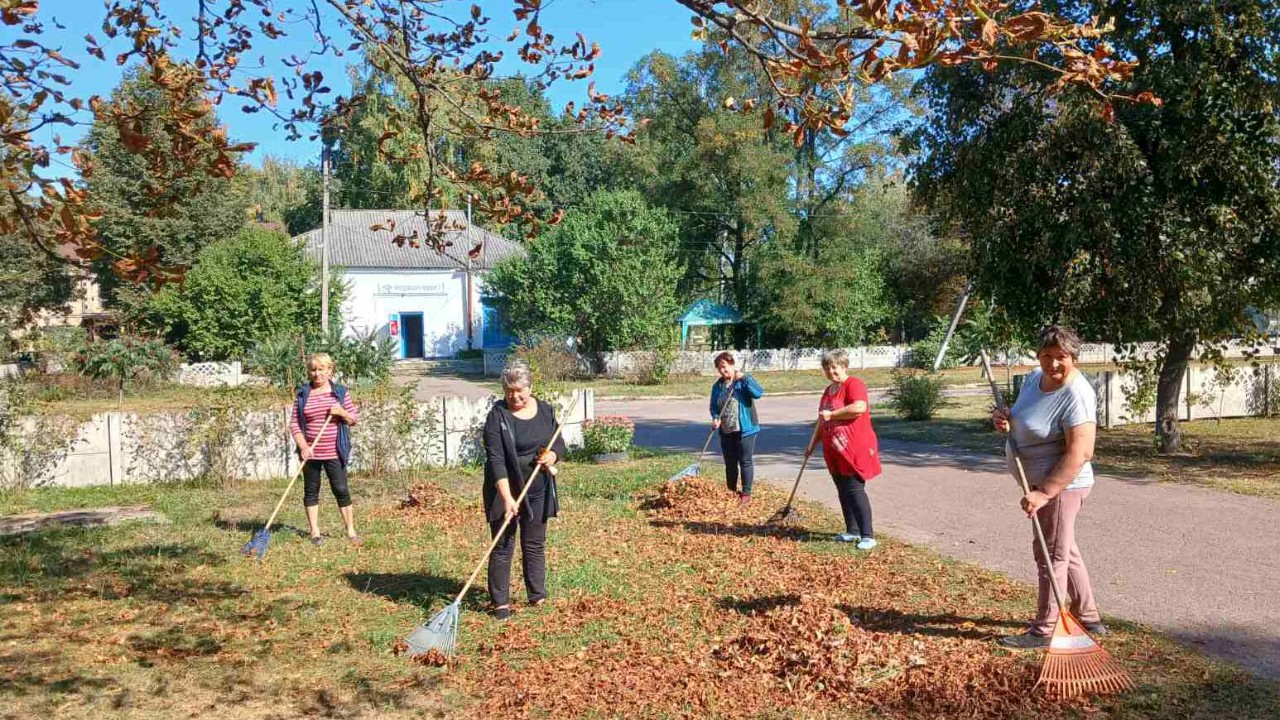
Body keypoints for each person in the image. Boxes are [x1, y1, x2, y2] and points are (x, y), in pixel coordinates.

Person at [992, 324, 1108, 649]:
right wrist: (1005, 418)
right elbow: (1023, 418)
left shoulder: (1077, 394)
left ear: (1074, 357)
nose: (1053, 364)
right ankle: (1089, 615)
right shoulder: (1033, 379)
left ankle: (1043, 630)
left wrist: (1044, 493)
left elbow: (1081, 452)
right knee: (1064, 549)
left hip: (1062, 487)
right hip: (1039, 483)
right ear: (1038, 355)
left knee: (1050, 554)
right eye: (1047, 356)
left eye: (1061, 357)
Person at [482, 363, 567, 620]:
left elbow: (559, 442)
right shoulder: (497, 416)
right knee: (503, 545)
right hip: (503, 488)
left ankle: (537, 595)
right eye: (509, 391)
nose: (514, 396)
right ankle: (500, 603)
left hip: (537, 487)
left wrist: (552, 455)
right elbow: (496, 460)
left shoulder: (544, 410)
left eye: (519, 390)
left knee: (534, 543)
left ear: (530, 387)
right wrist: (507, 498)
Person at [807, 349, 881, 550]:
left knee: (854, 489)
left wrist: (833, 414)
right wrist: (812, 444)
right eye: (827, 368)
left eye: (834, 367)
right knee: (842, 489)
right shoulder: (828, 390)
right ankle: (852, 530)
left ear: (844, 366)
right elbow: (822, 420)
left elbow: (859, 407)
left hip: (854, 447)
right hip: (834, 449)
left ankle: (868, 535)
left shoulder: (854, 384)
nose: (831, 371)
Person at [290, 352, 361, 546]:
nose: (317, 373)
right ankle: (314, 531)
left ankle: (351, 530)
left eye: (321, 369)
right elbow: (295, 424)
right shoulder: (303, 394)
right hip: (310, 454)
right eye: (313, 369)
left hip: (334, 452)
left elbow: (353, 419)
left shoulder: (339, 393)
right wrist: (303, 446)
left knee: (341, 489)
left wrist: (341, 412)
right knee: (311, 490)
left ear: (330, 371)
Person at [709, 351, 765, 506]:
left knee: (745, 461)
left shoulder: (742, 381)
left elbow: (759, 393)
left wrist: (745, 378)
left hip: (745, 429)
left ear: (732, 365)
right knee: (730, 462)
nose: (722, 371)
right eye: (719, 368)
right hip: (726, 429)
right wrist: (715, 419)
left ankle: (746, 493)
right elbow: (714, 406)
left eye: (724, 367)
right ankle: (731, 490)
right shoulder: (717, 386)